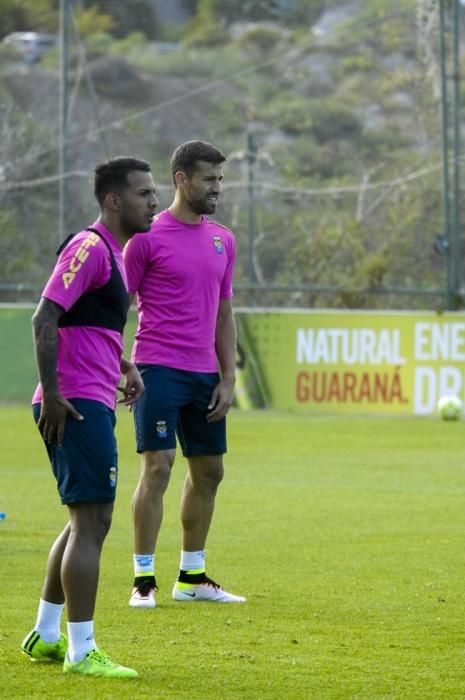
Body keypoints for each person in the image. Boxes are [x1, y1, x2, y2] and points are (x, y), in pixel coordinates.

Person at [21, 157, 158, 678]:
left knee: (84, 520)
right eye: (143, 194)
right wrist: (54, 395)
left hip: (91, 395)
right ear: (113, 201)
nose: (152, 202)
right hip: (74, 401)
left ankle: (48, 636)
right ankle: (82, 651)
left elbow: (88, 323)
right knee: (93, 522)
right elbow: (45, 315)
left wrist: (126, 365)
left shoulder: (116, 257)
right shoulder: (90, 247)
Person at [125, 140, 245, 608]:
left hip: (205, 374)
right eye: (209, 179)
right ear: (181, 179)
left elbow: (224, 313)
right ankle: (143, 580)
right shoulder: (146, 237)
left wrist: (228, 377)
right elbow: (118, 306)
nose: (217, 188)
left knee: (210, 471)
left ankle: (192, 576)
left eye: (220, 179)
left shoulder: (224, 239)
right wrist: (121, 362)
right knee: (157, 467)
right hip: (157, 368)